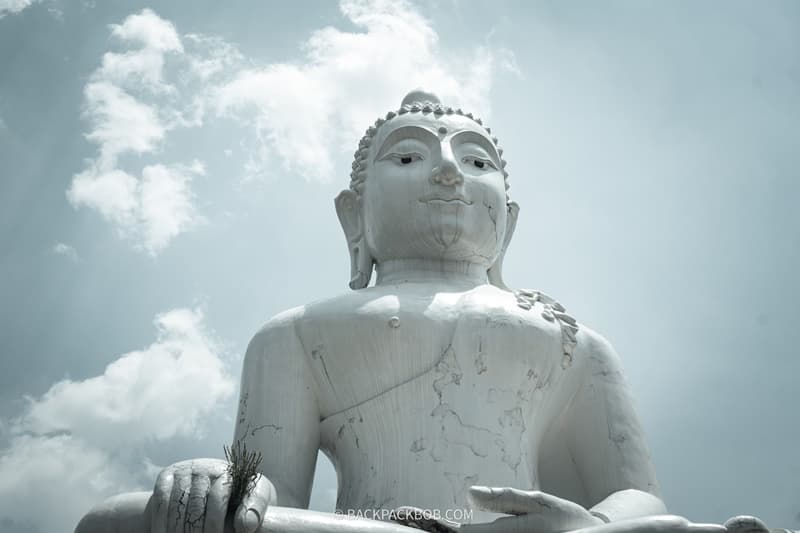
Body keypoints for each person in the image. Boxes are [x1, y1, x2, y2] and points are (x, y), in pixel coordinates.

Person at [75, 91, 768, 533]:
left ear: (510, 223)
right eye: (408, 154)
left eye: (476, 161)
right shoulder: (293, 333)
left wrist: (590, 528)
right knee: (115, 522)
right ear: (355, 218)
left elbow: (636, 496)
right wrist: (222, 482)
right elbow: (270, 491)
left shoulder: (573, 339)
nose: (447, 172)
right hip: (376, 531)